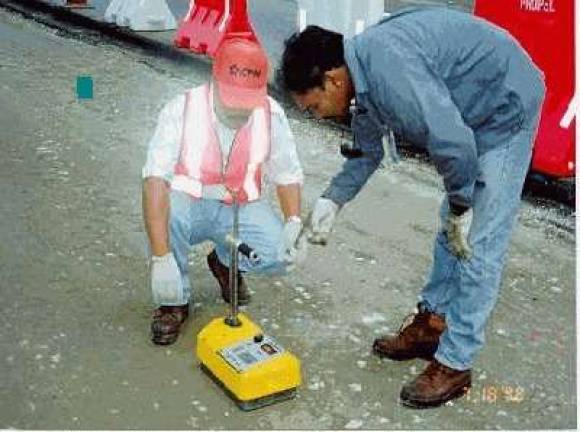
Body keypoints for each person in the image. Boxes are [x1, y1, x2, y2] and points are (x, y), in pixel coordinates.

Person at [280, 7, 545, 408]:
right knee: (450, 230)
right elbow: (366, 153)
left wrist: (461, 204)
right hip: (469, 105)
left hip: (505, 107)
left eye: (313, 106)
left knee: (476, 241)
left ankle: (456, 362)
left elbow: (454, 144)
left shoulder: (390, 75)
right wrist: (331, 201)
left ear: (333, 80)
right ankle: (432, 323)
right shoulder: (362, 78)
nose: (316, 115)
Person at [143, 37, 306, 346]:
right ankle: (174, 301)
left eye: (247, 101)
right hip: (191, 204)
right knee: (168, 215)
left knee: (279, 254)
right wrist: (161, 259)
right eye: (232, 99)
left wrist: (294, 223)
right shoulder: (183, 109)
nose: (240, 111)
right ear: (214, 81)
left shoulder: (271, 115)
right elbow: (154, 181)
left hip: (239, 207)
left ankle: (224, 261)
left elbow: (287, 174)